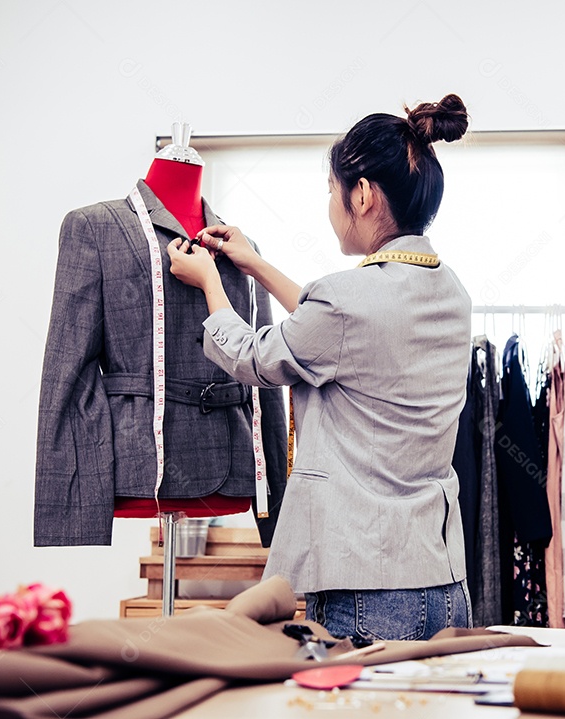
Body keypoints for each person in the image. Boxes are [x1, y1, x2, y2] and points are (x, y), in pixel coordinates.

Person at [166, 94, 474, 641]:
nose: (330, 202)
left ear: (361, 194)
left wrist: (211, 282)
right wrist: (255, 265)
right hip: (443, 582)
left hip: (365, 587)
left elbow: (255, 356)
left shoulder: (347, 301)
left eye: (331, 188)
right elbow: (335, 331)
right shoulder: (450, 290)